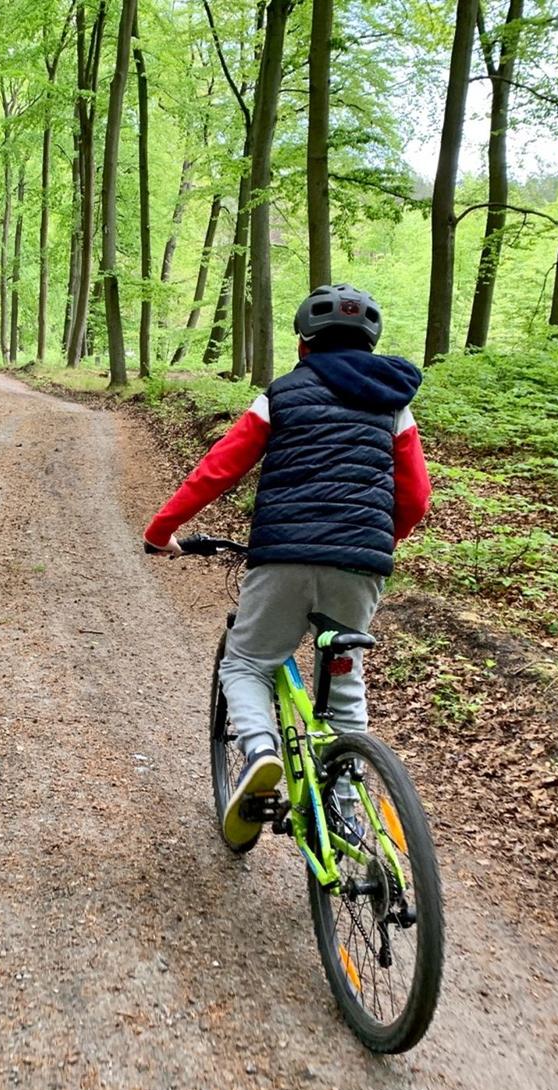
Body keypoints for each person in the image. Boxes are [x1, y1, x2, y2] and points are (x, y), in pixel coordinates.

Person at [143, 284, 431, 839]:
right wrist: (375, 542)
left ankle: (258, 753)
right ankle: (346, 807)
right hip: (360, 568)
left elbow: (217, 470)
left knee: (247, 661)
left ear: (303, 345)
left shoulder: (281, 395)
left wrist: (163, 532)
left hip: (282, 560)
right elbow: (415, 498)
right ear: (372, 343)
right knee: (343, 684)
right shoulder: (394, 403)